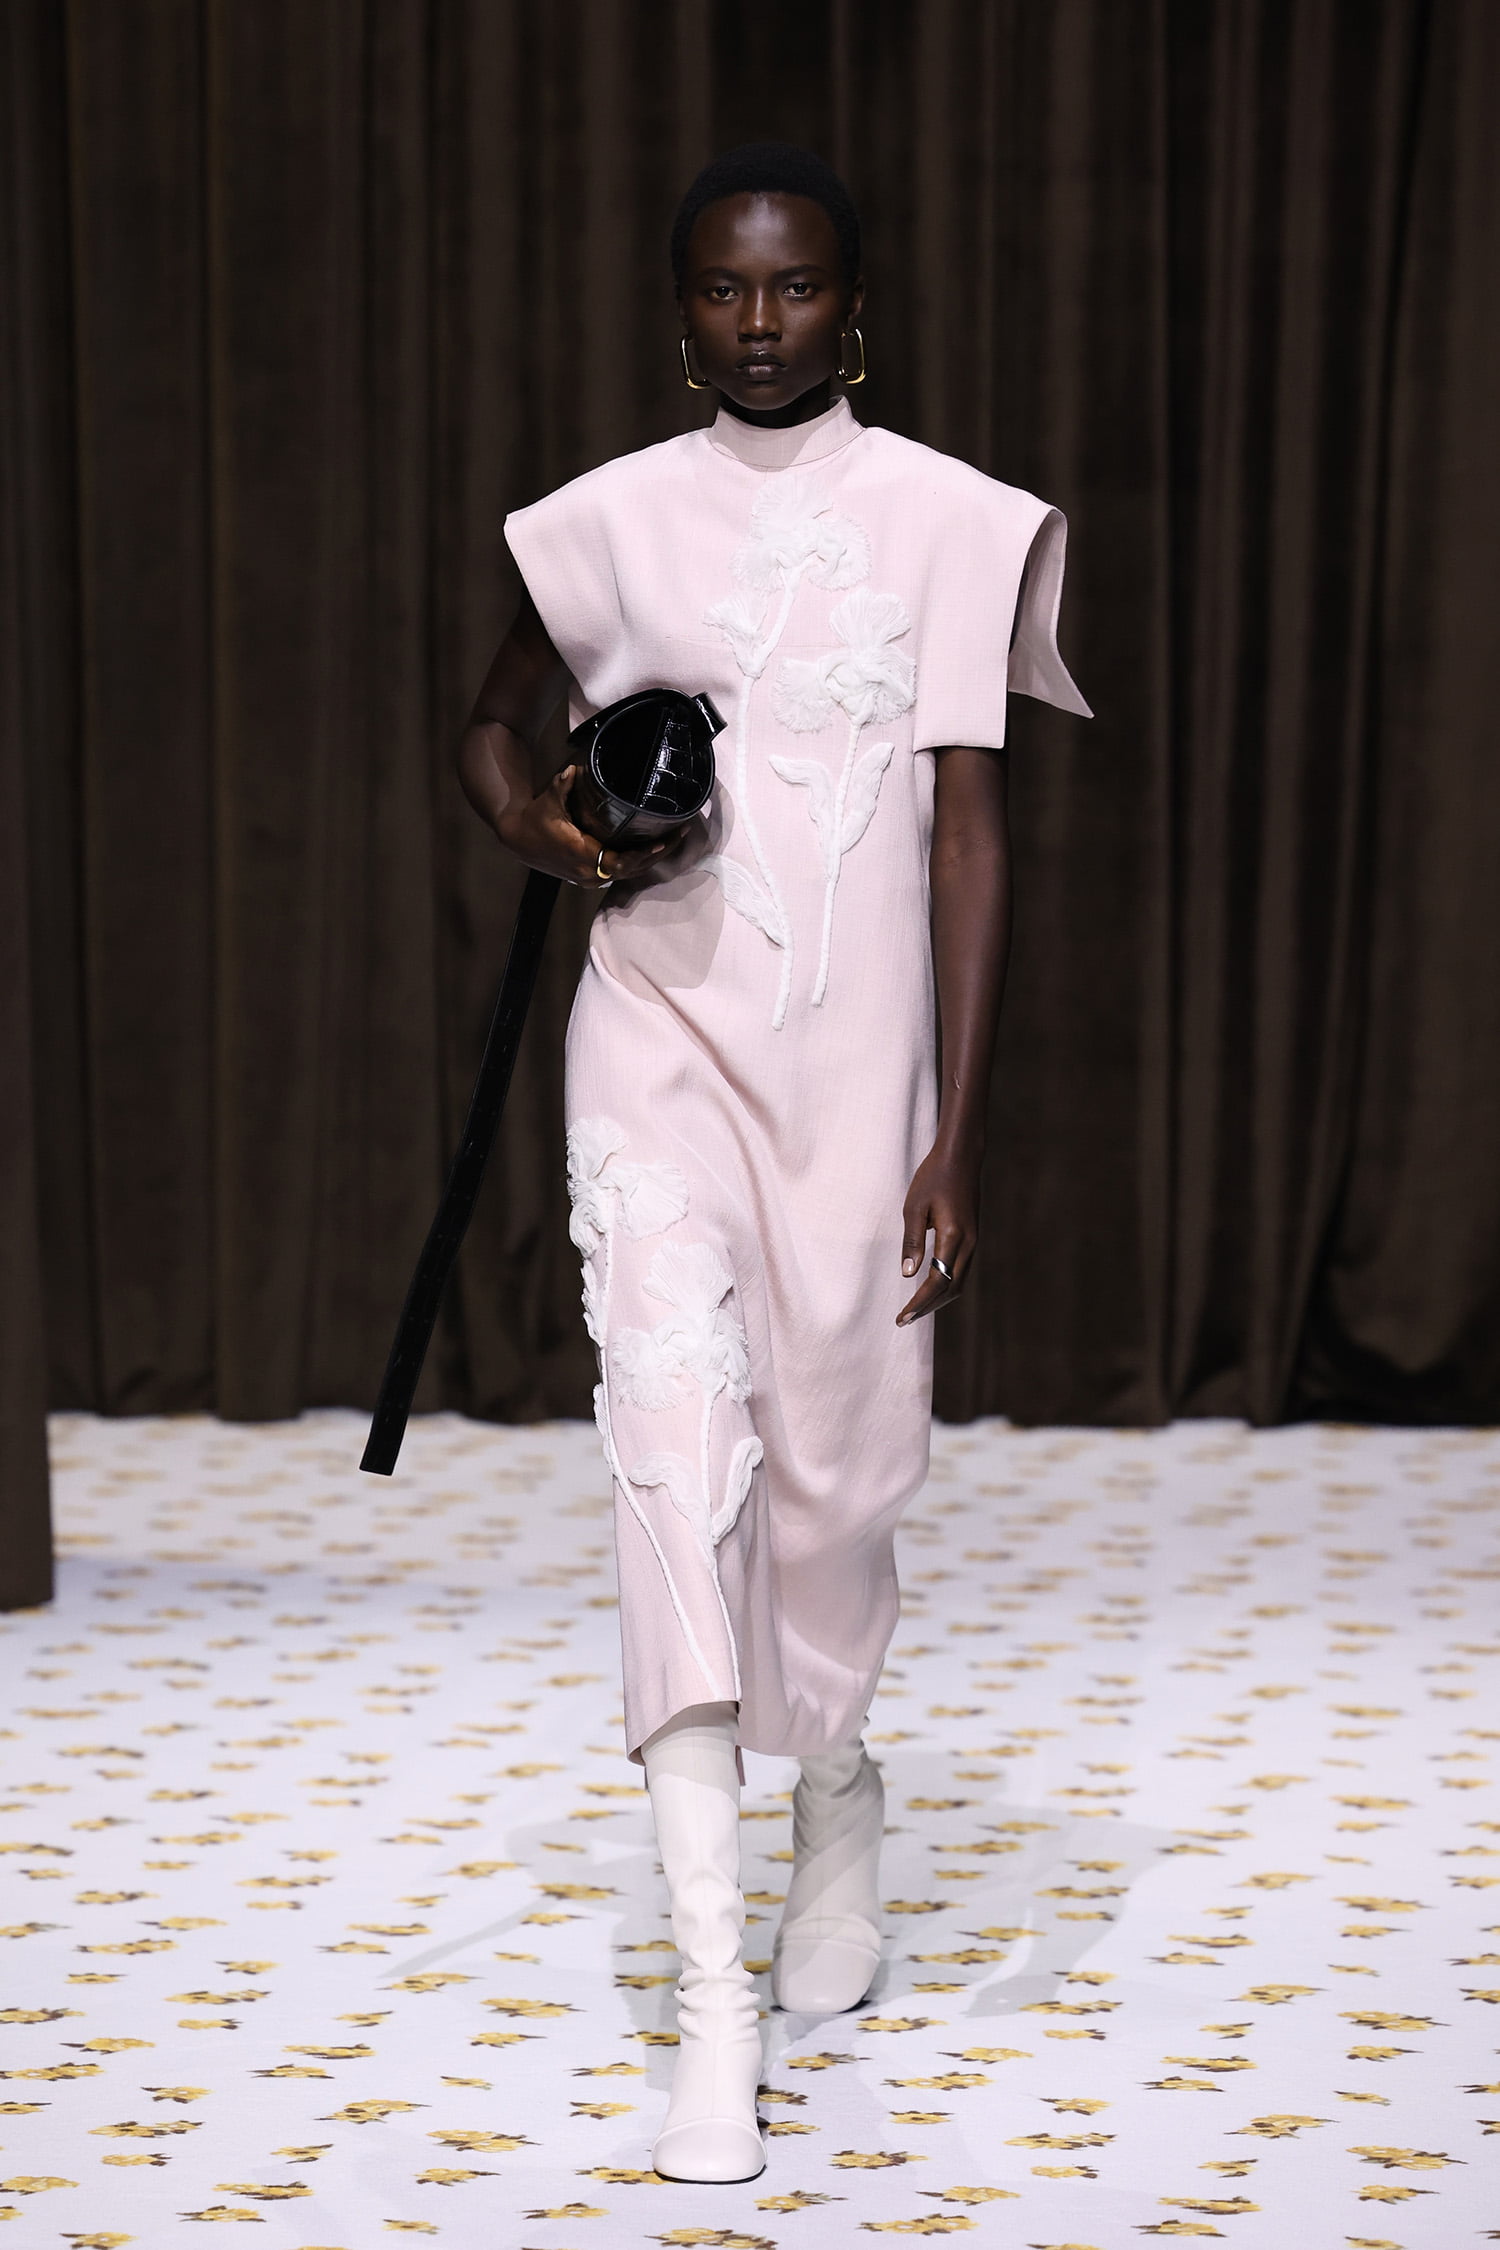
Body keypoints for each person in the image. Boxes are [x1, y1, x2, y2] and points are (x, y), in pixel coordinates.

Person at [456, 142, 1088, 2185]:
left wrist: (955, 1133)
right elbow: (491, 724)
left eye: (796, 287)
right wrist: (553, 837)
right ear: (678, 312)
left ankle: (839, 1796)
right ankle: (708, 2003)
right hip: (654, 1050)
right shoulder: (610, 522)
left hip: (861, 1083)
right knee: (671, 1456)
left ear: (852, 305)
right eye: (726, 292)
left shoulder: (954, 525)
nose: (759, 321)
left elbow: (972, 831)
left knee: (829, 1488)